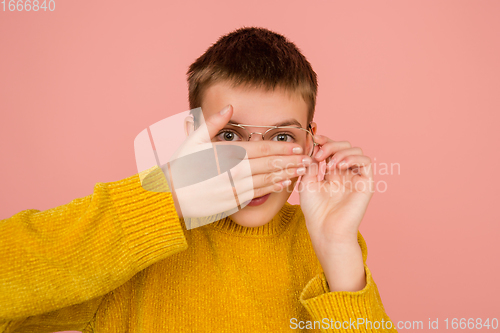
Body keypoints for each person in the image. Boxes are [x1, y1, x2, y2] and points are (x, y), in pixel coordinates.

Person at [0, 27, 396, 332]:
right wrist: (163, 199)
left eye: (281, 137)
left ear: (311, 142)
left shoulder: (323, 249)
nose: (252, 162)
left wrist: (338, 249)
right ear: (193, 135)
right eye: (229, 136)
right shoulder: (126, 252)